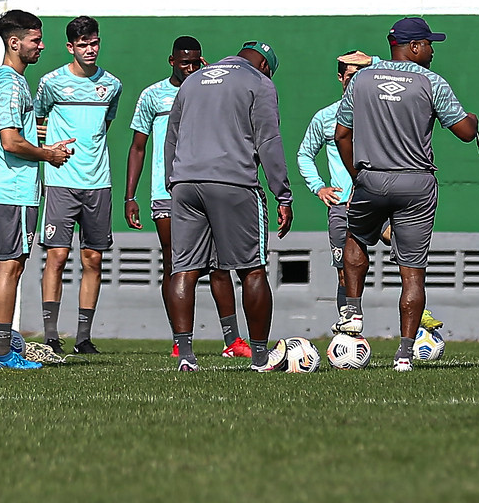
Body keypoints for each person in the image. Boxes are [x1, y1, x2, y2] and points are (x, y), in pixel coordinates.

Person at [334, 18, 478, 371]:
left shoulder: (361, 79)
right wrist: (473, 119)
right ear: (414, 47)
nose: (432, 51)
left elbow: (341, 135)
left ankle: (353, 312)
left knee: (356, 237)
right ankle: (403, 354)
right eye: (429, 44)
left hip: (372, 178)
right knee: (412, 272)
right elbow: (464, 132)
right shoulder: (431, 82)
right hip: (416, 183)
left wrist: (357, 175)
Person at [164, 42, 293, 371]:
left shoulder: (194, 80)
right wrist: (282, 194)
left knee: (184, 268)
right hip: (233, 182)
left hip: (185, 183)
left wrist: (172, 181)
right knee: (252, 269)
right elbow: (268, 140)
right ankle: (260, 357)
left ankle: (186, 356)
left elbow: (172, 135)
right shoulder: (259, 82)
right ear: (264, 66)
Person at [0, 10, 73, 370]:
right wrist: (48, 155)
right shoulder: (11, 82)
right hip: (13, 190)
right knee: (10, 268)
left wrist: (43, 144)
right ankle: (1, 352)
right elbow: (10, 141)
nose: (41, 46)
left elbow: (12, 132)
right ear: (14, 42)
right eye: (35, 40)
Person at [126, 37, 242, 357]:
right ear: (172, 61)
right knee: (175, 264)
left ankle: (233, 341)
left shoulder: (210, 89)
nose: (189, 68)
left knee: (220, 264)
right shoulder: (152, 95)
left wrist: (213, 77)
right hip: (166, 192)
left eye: (195, 62)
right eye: (183, 62)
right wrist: (130, 196)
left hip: (207, 185)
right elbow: (138, 147)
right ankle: (181, 342)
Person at [33, 16, 122, 357]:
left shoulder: (112, 85)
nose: (89, 49)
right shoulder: (51, 82)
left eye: (94, 43)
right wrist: (51, 146)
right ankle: (51, 336)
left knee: (93, 259)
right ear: (70, 47)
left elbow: (103, 127)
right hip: (60, 182)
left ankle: (84, 338)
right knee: (56, 257)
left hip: (99, 183)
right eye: (83, 44)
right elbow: (35, 122)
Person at [299, 50, 375, 330]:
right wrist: (319, 187)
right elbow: (304, 154)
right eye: (351, 76)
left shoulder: (381, 112)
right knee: (345, 272)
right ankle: (349, 324)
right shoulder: (326, 117)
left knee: (407, 256)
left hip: (379, 201)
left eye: (362, 75)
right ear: (341, 78)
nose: (356, 81)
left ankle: (419, 320)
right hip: (342, 206)